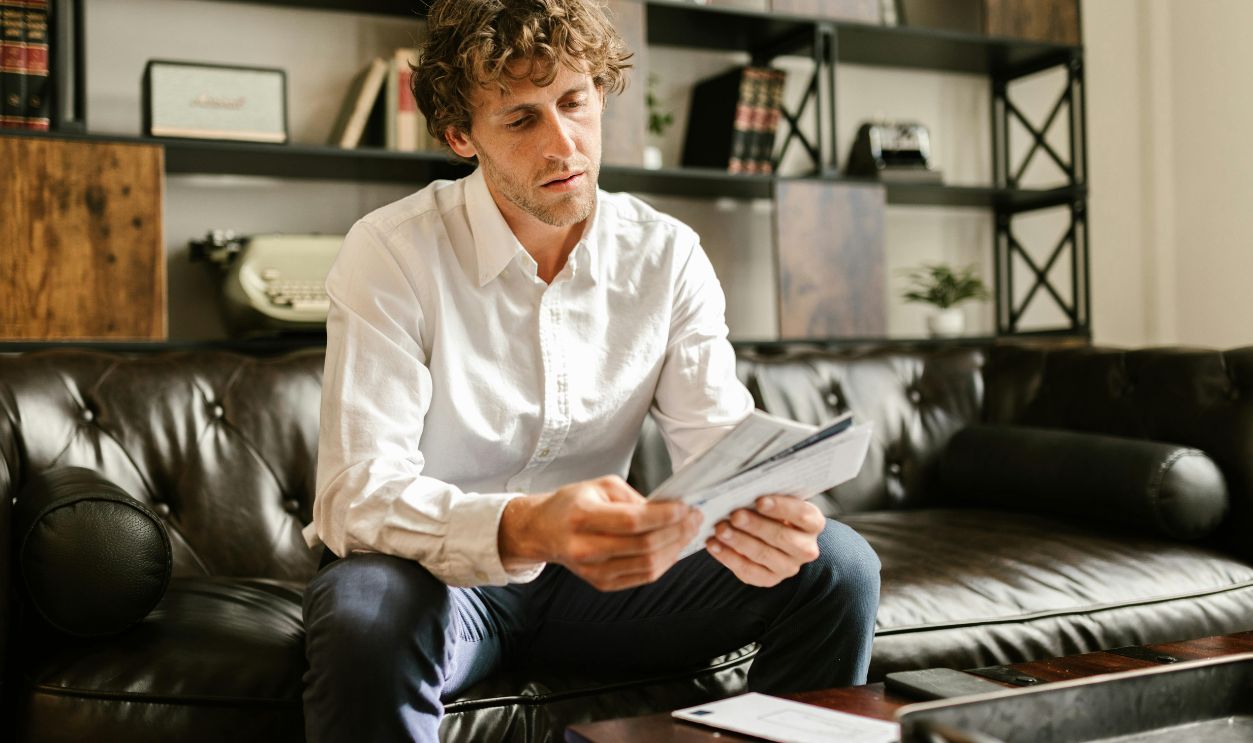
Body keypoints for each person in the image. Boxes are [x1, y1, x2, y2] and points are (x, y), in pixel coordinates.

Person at [301, 1, 881, 740]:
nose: (562, 143)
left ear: (598, 94)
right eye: (520, 120)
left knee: (836, 564)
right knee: (365, 613)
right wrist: (526, 525)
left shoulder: (665, 254)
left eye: (574, 102)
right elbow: (357, 496)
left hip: (602, 590)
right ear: (459, 135)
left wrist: (763, 518)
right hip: (440, 583)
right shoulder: (390, 250)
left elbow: (719, 442)